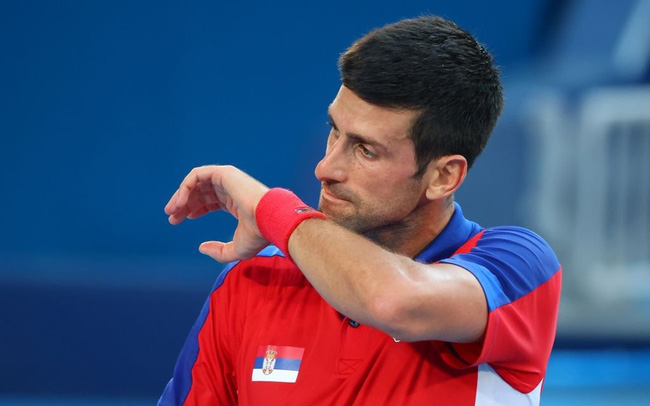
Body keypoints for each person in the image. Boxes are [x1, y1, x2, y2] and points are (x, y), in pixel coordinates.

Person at [158, 16, 561, 406]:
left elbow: (393, 301)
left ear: (443, 176)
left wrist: (270, 209)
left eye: (366, 150)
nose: (326, 168)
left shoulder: (518, 268)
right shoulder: (253, 278)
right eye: (335, 131)